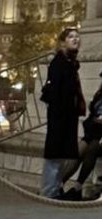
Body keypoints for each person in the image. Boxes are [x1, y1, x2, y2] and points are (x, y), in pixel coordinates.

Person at [41, 28, 84, 199]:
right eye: (71, 37)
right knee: (55, 154)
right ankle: (49, 191)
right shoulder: (59, 63)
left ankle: (55, 188)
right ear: (63, 42)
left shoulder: (70, 63)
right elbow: (55, 91)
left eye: (77, 37)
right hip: (60, 115)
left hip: (68, 115)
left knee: (62, 155)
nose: (75, 39)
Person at [66, 63, 101, 199]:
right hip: (93, 131)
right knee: (78, 151)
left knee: (92, 149)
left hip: (99, 136)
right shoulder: (99, 95)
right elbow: (92, 112)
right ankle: (59, 184)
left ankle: (78, 186)